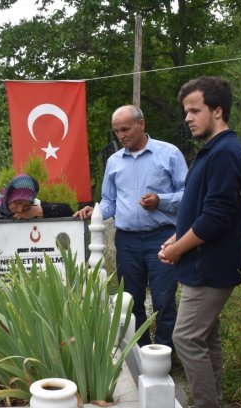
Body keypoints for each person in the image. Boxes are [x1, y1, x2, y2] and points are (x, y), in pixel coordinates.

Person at [158, 76, 241, 408]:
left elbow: (217, 217)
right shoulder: (215, 150)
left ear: (218, 110)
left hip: (210, 266)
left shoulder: (226, 153)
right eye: (186, 112)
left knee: (186, 338)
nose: (188, 118)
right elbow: (200, 209)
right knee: (206, 339)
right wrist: (176, 237)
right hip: (203, 263)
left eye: (195, 110)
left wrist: (178, 248)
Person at [74, 105, 187, 348]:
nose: (121, 135)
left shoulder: (169, 154)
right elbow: (109, 201)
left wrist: (161, 201)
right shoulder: (114, 162)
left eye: (125, 129)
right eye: (116, 131)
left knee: (163, 299)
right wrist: (96, 212)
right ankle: (143, 352)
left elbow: (188, 194)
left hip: (163, 237)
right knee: (131, 301)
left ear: (141, 124)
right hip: (127, 241)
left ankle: (166, 355)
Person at [0, 173, 73, 241]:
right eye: (17, 203)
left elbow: (67, 210)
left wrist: (36, 211)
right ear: (9, 196)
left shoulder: (34, 205)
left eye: (26, 205)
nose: (20, 209)